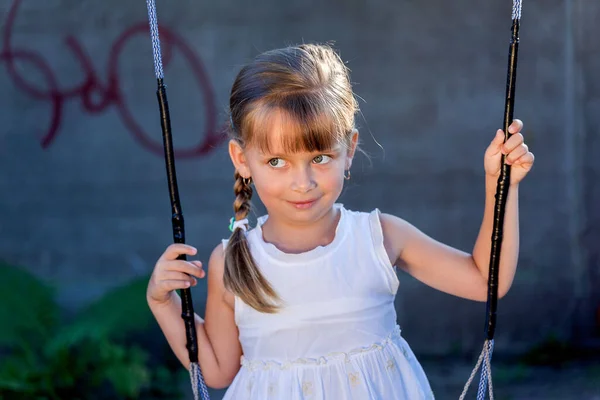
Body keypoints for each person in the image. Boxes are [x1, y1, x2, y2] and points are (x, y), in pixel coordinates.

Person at [146, 43, 534, 399]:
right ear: (242, 159)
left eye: (320, 158)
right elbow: (216, 371)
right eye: (276, 162)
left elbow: (486, 280)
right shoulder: (231, 261)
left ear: (349, 149)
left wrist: (500, 188)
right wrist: (163, 303)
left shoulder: (378, 237)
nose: (303, 183)